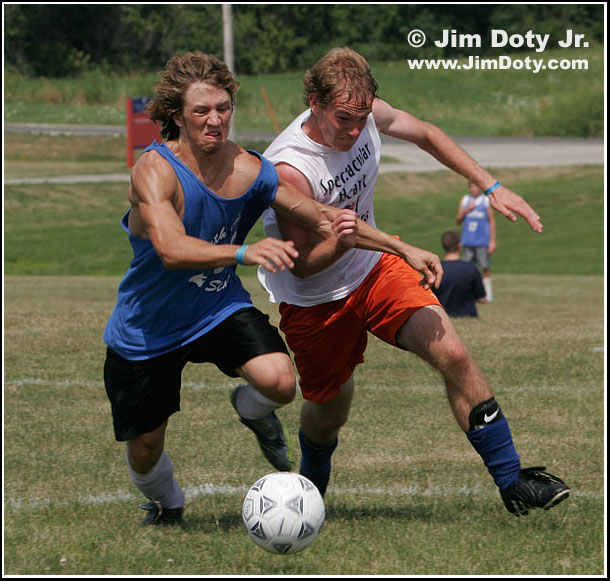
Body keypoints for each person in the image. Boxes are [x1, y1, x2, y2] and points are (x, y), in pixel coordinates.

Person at [102, 51, 443, 526]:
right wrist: (244, 253)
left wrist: (399, 248)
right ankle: (168, 503)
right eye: (201, 110)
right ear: (176, 114)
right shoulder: (154, 171)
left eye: (222, 108)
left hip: (214, 307)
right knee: (144, 446)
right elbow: (172, 250)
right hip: (148, 325)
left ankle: (251, 410)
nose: (214, 119)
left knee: (280, 382)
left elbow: (325, 218)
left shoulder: (251, 169)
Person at [257, 47, 569, 516]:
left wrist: (491, 186)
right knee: (328, 414)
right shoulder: (289, 167)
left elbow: (424, 133)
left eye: (362, 117)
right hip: (315, 300)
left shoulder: (364, 114)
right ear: (313, 102)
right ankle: (310, 494)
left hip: (375, 267)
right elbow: (301, 264)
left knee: (454, 353)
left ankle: (513, 481)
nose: (355, 129)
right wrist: (345, 241)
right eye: (344, 118)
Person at [456, 182, 496, 301]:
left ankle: (487, 294)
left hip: (482, 240)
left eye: (476, 186)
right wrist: (466, 210)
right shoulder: (465, 200)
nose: (474, 189)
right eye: (472, 186)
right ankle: (469, 293)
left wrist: (492, 241)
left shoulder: (485, 201)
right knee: (467, 268)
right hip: (468, 240)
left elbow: (491, 221)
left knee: (485, 266)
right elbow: (458, 220)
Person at [436, 230, 487, 317]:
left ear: (443, 246)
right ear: (460, 245)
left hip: (442, 316)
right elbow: (482, 299)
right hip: (468, 315)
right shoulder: (471, 268)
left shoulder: (436, 269)